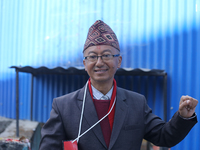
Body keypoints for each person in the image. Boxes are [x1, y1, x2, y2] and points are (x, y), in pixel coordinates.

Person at [39, 20, 198, 150]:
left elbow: (165, 136)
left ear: (119, 61)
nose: (99, 62)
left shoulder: (136, 103)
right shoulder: (64, 106)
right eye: (93, 56)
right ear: (84, 63)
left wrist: (184, 116)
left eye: (107, 55)